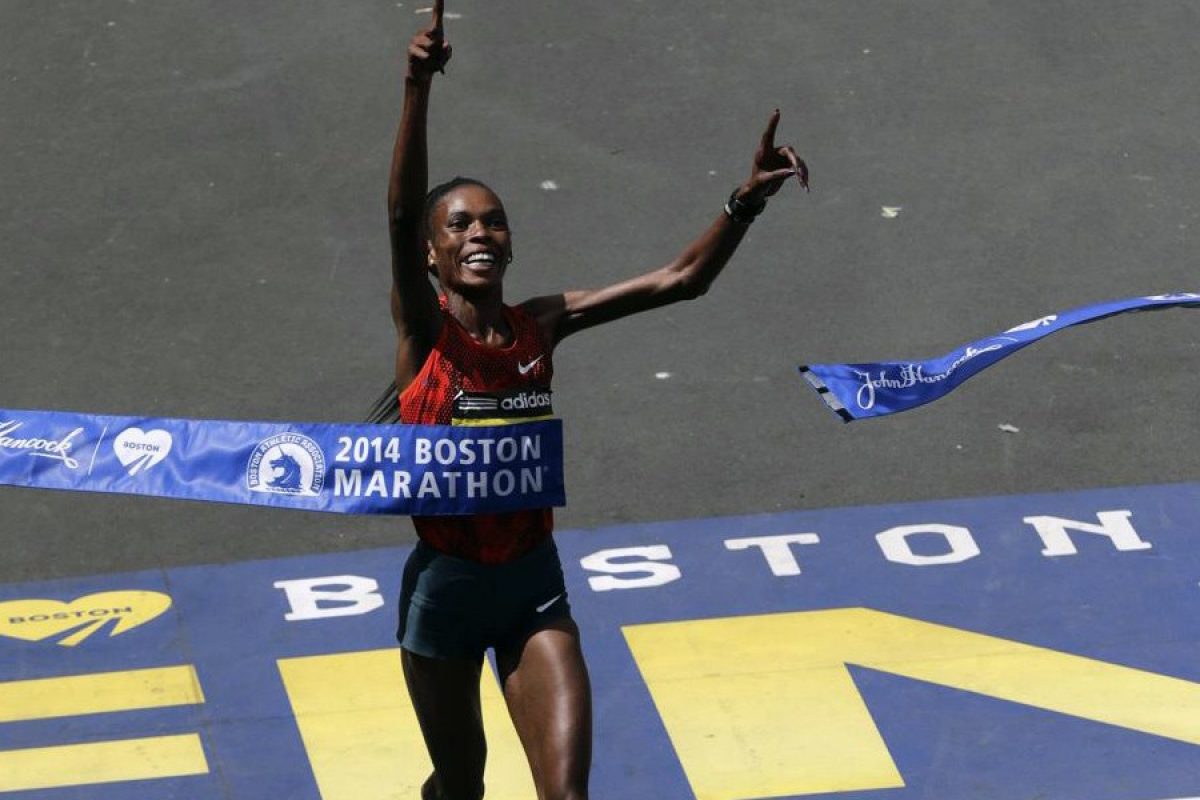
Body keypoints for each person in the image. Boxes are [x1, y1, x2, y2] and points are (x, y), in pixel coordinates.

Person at [381, 3, 808, 798]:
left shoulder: (543, 322)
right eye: (460, 224)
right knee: (461, 783)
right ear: (433, 253)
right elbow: (401, 210)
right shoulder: (424, 331)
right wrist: (417, 84)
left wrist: (745, 200)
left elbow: (683, 281)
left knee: (567, 794)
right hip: (444, 591)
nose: (480, 233)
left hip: (531, 587)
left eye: (495, 222)